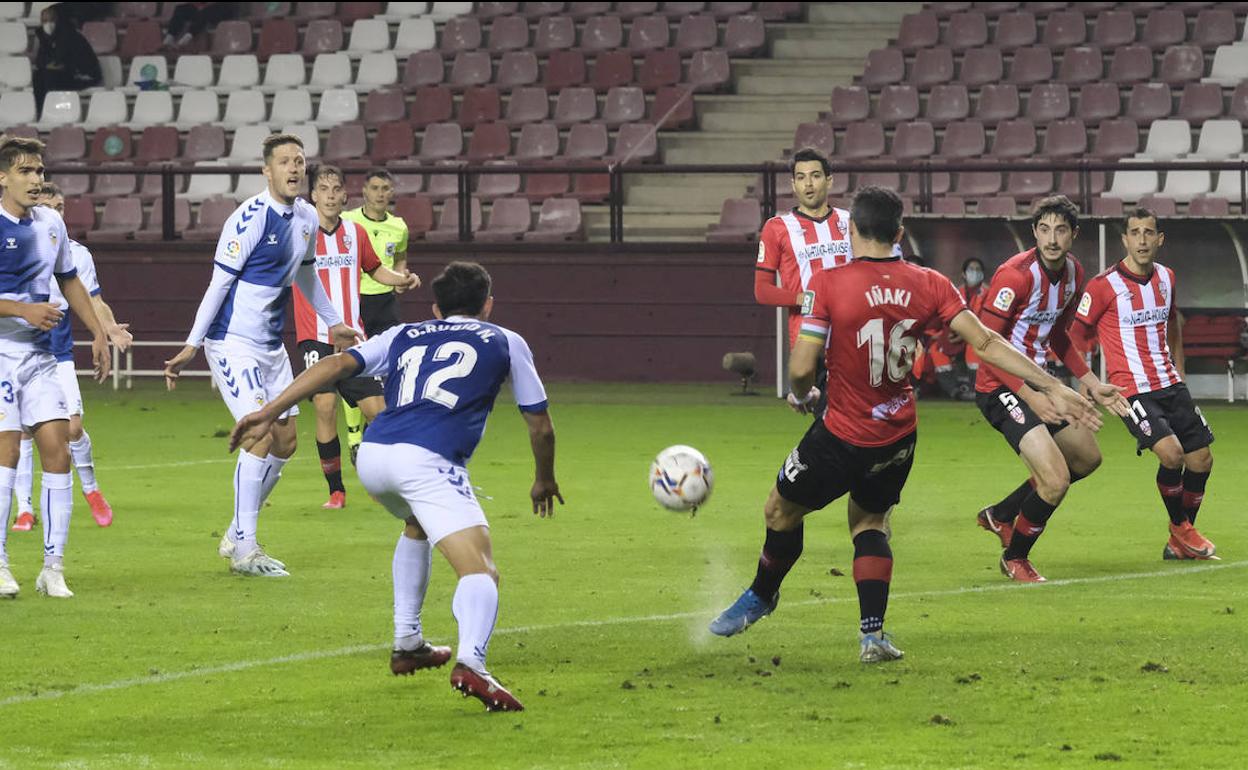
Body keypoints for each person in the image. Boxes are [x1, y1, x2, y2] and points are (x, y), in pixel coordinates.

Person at [708, 186, 1102, 662]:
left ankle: (763, 593)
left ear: (852, 230)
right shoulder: (932, 283)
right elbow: (987, 344)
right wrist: (1050, 386)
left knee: (779, 511)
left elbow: (800, 367)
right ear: (898, 232)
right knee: (870, 522)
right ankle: (871, 636)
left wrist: (800, 392)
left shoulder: (828, 284)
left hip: (841, 433)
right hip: (898, 437)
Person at [230, 261, 562, 712]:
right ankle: (473, 663)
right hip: (425, 460)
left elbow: (336, 363)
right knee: (481, 571)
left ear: (435, 307)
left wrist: (270, 410)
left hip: (374, 454)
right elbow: (539, 425)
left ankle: (408, 642)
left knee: (416, 524)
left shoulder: (405, 333)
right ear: (487, 304)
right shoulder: (506, 340)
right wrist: (544, 478)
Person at [162, 133, 359, 578]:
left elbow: (306, 276)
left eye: (300, 161)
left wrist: (333, 322)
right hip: (233, 343)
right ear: (266, 171)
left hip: (271, 349)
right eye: (285, 162)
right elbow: (219, 285)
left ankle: (236, 531)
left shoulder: (306, 217)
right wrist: (193, 343)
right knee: (260, 433)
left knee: (287, 442)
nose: (295, 168)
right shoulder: (249, 218)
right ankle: (246, 550)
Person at [972, 196, 1129, 582]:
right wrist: (1032, 397)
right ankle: (1015, 558)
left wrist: (1091, 384)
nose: (1052, 238)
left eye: (1060, 230)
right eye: (1044, 229)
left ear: (1073, 234)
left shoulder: (1074, 272)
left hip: (1042, 386)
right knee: (1055, 480)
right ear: (1034, 232)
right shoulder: (1014, 276)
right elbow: (983, 347)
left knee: (1086, 459)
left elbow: (1058, 333)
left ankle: (1002, 514)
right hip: (1000, 387)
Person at [1069, 209, 1217, 560]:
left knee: (1202, 460)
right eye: (1134, 233)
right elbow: (1074, 335)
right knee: (1171, 454)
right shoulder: (1103, 286)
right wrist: (1085, 385)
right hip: (1131, 389)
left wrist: (1179, 370)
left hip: (1170, 383)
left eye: (1149, 232)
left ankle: (1179, 542)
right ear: (1124, 239)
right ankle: (1181, 529)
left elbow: (1173, 323)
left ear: (1159, 239)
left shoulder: (1167, 277)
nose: (1142, 240)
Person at [0, 136, 111, 599]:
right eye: (25, 171)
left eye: (40, 172)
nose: (35, 180)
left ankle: (52, 566)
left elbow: (69, 279)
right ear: (2, 177)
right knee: (6, 456)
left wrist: (98, 331)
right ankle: (1, 563)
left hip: (42, 358)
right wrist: (23, 311)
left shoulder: (51, 224)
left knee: (58, 449)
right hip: (2, 355)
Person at [293, 164, 419, 509]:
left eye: (336, 189)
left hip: (354, 337)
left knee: (378, 412)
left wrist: (402, 279)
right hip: (315, 335)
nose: (331, 195)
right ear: (313, 195)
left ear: (344, 195)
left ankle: (391, 481)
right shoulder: (299, 233)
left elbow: (375, 268)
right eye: (324, 189)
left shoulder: (355, 232)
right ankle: (336, 490)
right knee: (325, 405)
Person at [9, 183, 132, 532]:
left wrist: (108, 330)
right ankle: (26, 510)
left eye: (61, 206)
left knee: (71, 426)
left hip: (57, 348)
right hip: (17, 346)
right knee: (22, 432)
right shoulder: (14, 243)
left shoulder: (76, 253)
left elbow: (93, 299)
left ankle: (91, 490)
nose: (57, 213)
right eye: (51, 206)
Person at [341, 170, 409, 465]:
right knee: (357, 367)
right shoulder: (348, 221)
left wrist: (400, 277)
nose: (381, 194)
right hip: (356, 302)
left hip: (386, 302)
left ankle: (374, 430)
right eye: (375, 188)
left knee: (391, 367)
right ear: (364, 192)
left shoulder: (399, 226)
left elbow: (401, 256)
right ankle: (355, 436)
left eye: (386, 188)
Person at [32, 4, 102, 114]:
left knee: (49, 76)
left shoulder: (70, 35)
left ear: (58, 19)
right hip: (63, 75)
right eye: (44, 21)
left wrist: (49, 64)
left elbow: (61, 61)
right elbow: (40, 61)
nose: (48, 24)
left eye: (51, 20)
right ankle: (42, 113)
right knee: (38, 76)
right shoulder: (44, 37)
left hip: (84, 76)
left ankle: (56, 112)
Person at [162, 2, 235, 50]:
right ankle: (170, 37)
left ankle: (187, 37)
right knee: (180, 9)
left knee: (205, 12)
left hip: (221, 8)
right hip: (202, 7)